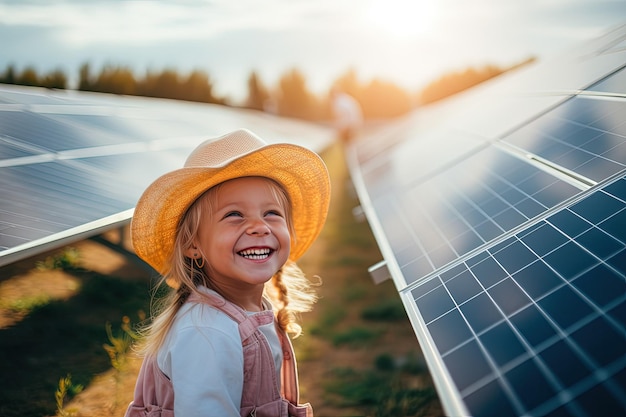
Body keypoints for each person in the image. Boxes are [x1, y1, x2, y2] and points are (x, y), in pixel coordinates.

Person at [124, 129, 331, 417]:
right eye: (234, 215)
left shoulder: (245, 310)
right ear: (192, 245)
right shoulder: (206, 332)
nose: (259, 226)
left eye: (272, 213)